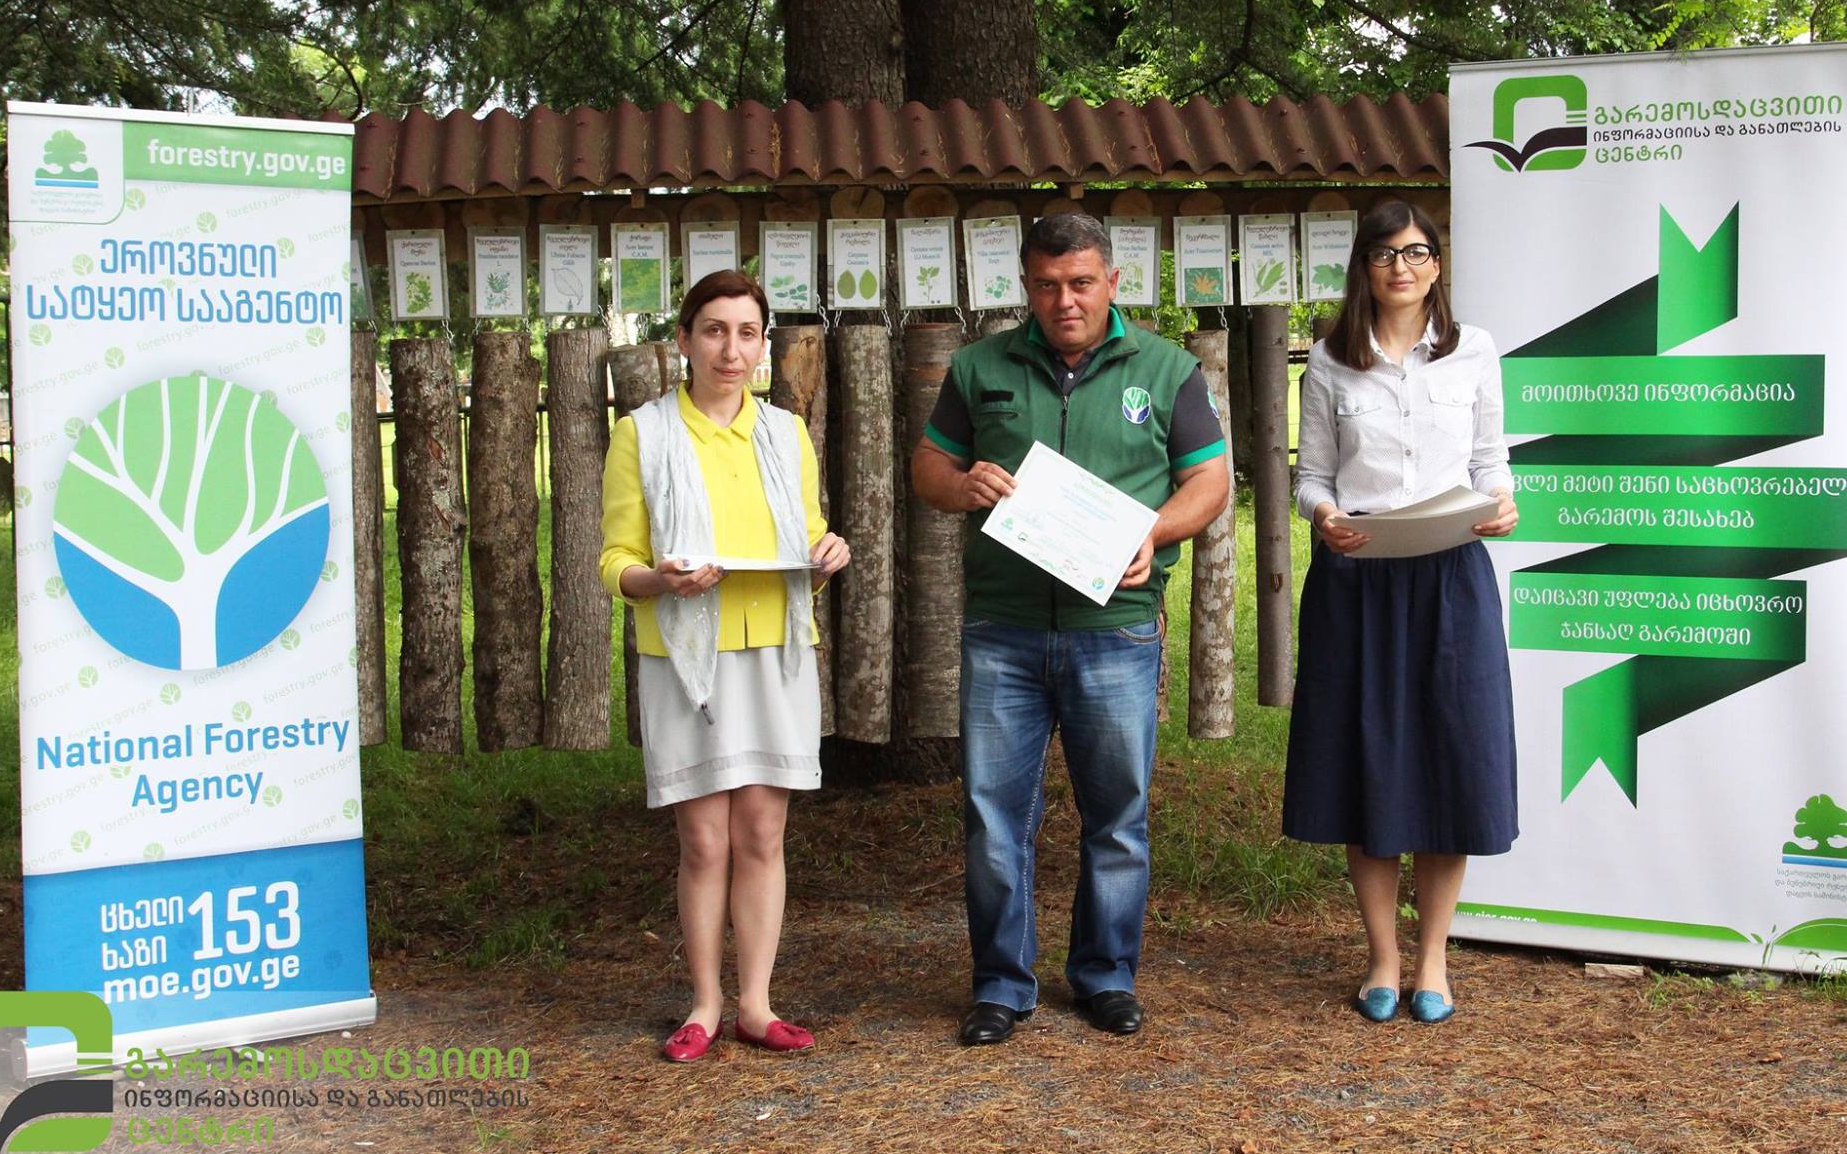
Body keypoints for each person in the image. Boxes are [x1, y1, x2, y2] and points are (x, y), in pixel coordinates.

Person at [912, 213, 1230, 1046]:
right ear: (1026, 285)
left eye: (1082, 283)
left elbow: (1209, 480)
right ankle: (1001, 984)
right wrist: (962, 485)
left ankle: (1106, 975)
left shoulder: (1166, 369)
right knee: (993, 817)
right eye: (1048, 285)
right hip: (1004, 629)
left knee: (1117, 816)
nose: (1066, 301)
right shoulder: (979, 367)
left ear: (1113, 282)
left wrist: (1153, 532)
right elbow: (929, 466)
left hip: (1115, 629)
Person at [599, 269, 851, 1062]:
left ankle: (757, 1004)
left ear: (763, 344)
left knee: (763, 833)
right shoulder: (643, 434)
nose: (731, 350)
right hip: (685, 656)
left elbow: (806, 537)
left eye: (747, 333)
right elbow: (615, 561)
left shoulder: (784, 433)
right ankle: (704, 1004)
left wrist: (826, 555)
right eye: (714, 330)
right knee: (706, 841)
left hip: (775, 648)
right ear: (683, 340)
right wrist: (658, 580)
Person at [1283, 199, 1520, 1026]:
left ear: (1436, 264)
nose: (1401, 267)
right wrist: (1324, 517)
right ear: (1364, 266)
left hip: (1452, 577)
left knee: (1452, 760)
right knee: (1369, 762)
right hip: (1359, 579)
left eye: (1416, 252)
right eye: (1384, 254)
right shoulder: (1328, 360)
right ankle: (1382, 957)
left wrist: (1503, 501)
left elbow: (1491, 461)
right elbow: (1311, 477)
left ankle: (1433, 961)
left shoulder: (1473, 350)